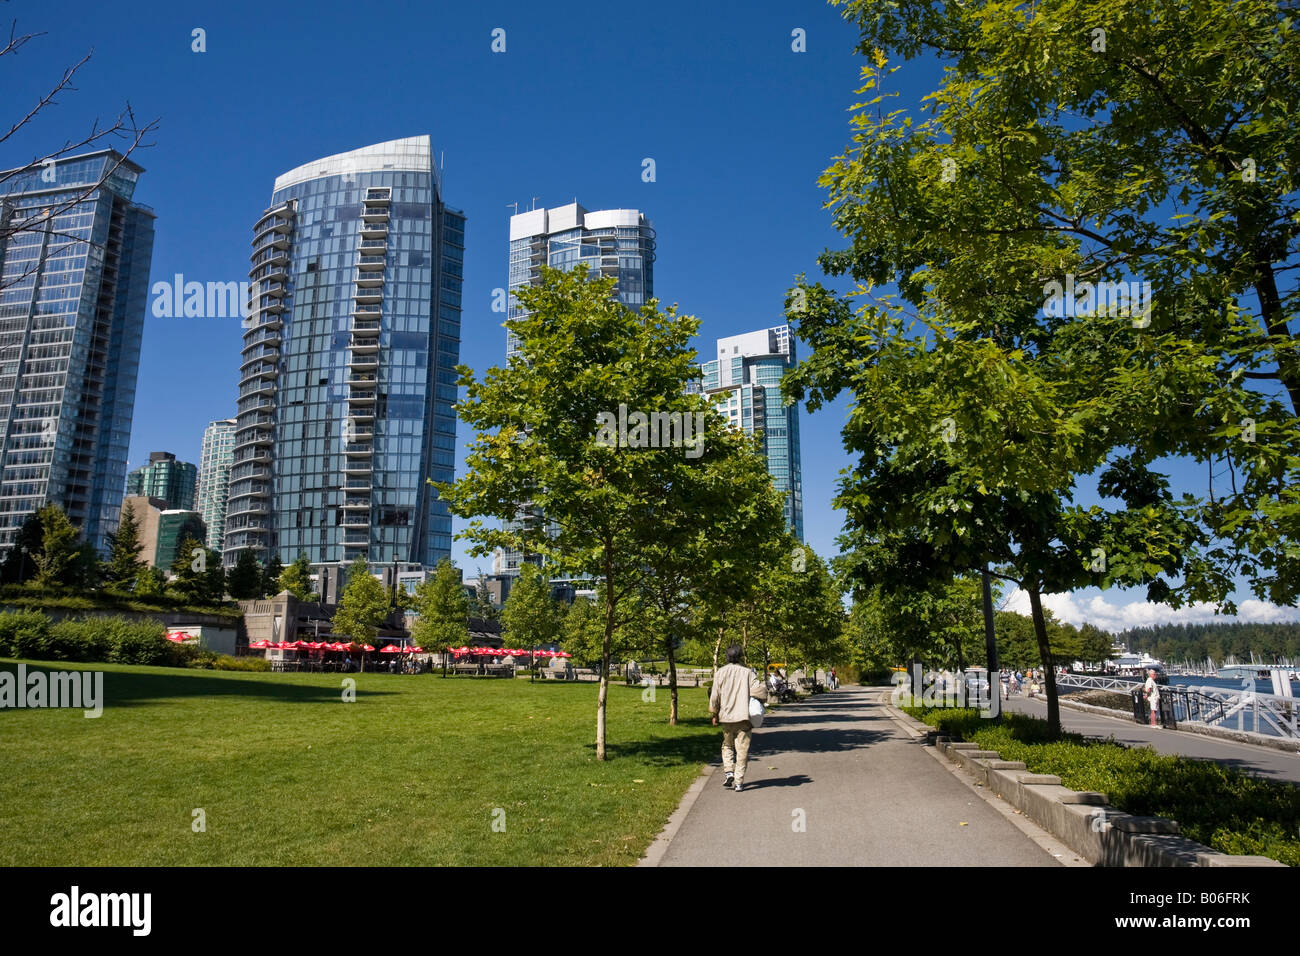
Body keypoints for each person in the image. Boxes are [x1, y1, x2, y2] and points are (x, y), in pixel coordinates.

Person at [709, 645, 768, 792]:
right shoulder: (748, 673)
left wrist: (714, 713)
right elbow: (759, 691)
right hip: (743, 717)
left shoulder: (720, 673)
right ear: (740, 656)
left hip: (726, 716)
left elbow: (715, 696)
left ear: (727, 657)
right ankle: (739, 781)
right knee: (742, 750)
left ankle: (729, 771)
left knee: (727, 745)